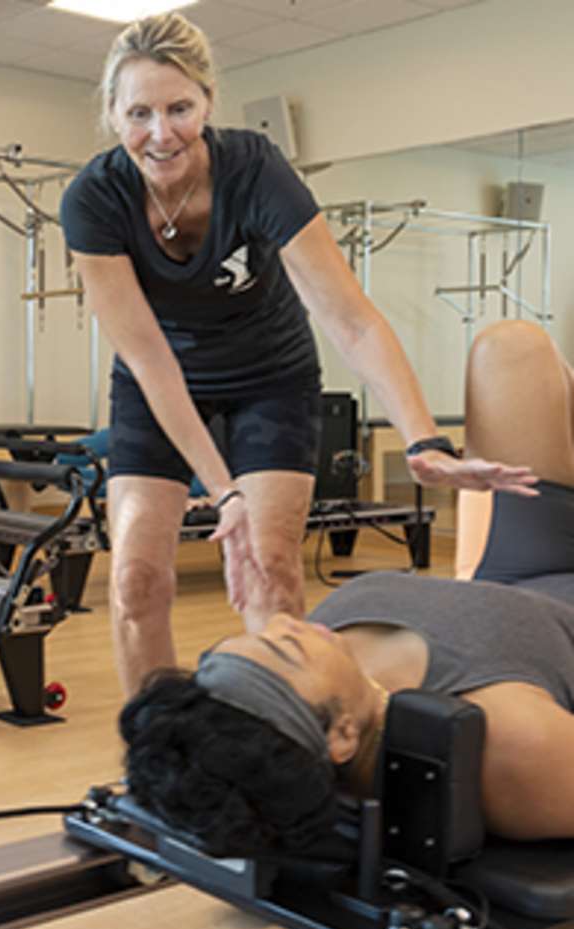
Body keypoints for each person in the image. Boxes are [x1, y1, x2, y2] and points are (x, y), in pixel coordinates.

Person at [60, 13, 533, 695]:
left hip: (269, 376)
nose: (161, 133)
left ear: (208, 103)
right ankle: (157, 759)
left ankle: (281, 744)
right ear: (111, 113)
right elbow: (150, 359)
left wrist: (422, 438)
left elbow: (351, 319)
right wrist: (222, 492)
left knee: (271, 567)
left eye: (179, 108)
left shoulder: (255, 171)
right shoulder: (94, 200)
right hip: (159, 380)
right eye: (139, 112)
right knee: (136, 579)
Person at [120, 319, 574, 847]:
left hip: (520, 568)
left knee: (509, 348)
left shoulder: (326, 672)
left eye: (263, 639)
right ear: (340, 737)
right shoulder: (511, 746)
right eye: (289, 652)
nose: (293, 627)